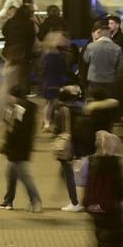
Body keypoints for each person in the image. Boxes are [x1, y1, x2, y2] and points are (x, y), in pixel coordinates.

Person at [0, 81, 43, 213]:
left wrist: (6, 145)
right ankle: (8, 200)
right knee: (11, 174)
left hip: (17, 149)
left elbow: (14, 129)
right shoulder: (23, 108)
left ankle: (35, 201)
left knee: (24, 176)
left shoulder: (18, 109)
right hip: (21, 148)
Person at [52, 84, 85, 212]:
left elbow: (63, 129)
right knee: (67, 173)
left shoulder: (62, 109)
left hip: (67, 145)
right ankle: (70, 198)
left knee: (69, 174)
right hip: (74, 144)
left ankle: (74, 202)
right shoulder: (76, 108)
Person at [82, 23, 123, 103]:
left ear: (100, 34)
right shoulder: (117, 48)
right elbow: (121, 68)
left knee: (93, 103)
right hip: (110, 81)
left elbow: (86, 60)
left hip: (94, 81)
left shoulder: (91, 46)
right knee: (108, 104)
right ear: (110, 35)